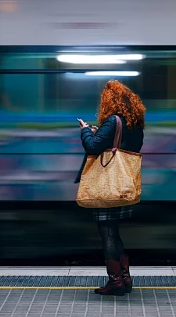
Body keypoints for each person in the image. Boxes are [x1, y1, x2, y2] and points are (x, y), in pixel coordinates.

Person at [75, 80, 145, 296]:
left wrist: (86, 131)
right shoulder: (134, 124)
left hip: (107, 186)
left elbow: (93, 147)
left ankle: (116, 282)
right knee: (114, 232)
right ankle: (125, 277)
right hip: (122, 185)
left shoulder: (113, 120)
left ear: (110, 101)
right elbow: (122, 146)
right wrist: (100, 133)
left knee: (107, 234)